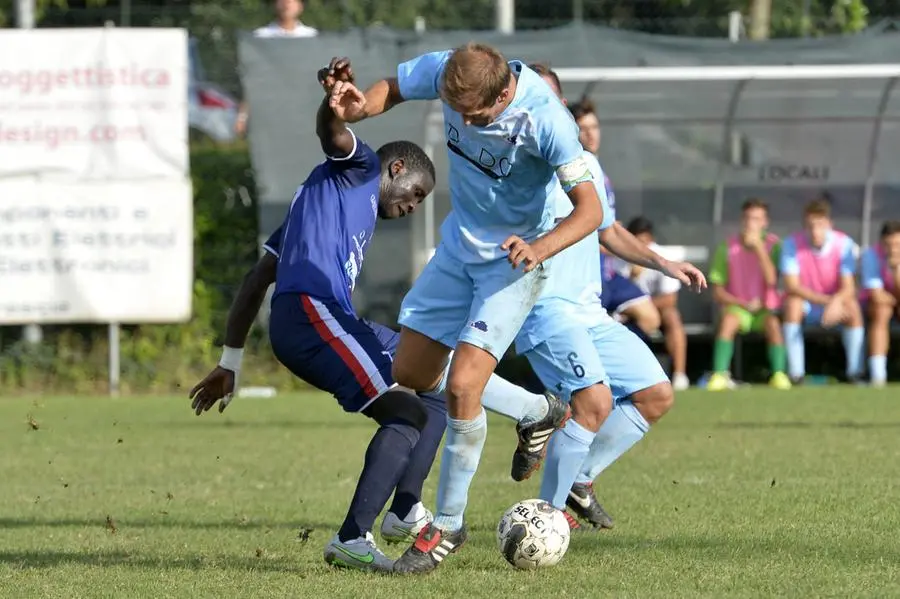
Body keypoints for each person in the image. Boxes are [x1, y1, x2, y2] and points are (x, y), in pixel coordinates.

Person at [190, 63, 565, 573]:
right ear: (396, 169)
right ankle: (351, 538)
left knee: (430, 385)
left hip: (319, 317)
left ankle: (407, 508)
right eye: (415, 194)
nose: (413, 207)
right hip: (313, 315)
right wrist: (334, 104)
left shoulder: (315, 206)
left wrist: (231, 361)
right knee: (405, 414)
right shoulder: (360, 169)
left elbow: (258, 279)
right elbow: (334, 133)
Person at [325, 45, 605, 574]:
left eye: (475, 114)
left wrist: (539, 248)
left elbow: (588, 210)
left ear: (503, 93)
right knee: (411, 373)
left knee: (462, 388)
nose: (466, 122)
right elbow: (393, 87)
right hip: (458, 250)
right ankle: (535, 410)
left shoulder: (548, 120)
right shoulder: (452, 69)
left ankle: (447, 524)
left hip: (513, 260)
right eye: (458, 112)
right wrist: (358, 108)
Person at [517, 64, 706, 532]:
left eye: (547, 98)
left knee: (656, 395)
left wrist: (663, 264)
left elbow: (610, 230)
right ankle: (547, 516)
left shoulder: (587, 166)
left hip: (590, 313)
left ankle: (578, 480)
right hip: (544, 311)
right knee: (594, 403)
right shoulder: (514, 167)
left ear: (561, 107)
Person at [569, 99, 661, 343]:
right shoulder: (572, 172)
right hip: (586, 274)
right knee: (582, 333)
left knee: (651, 317)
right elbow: (577, 228)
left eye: (594, 127)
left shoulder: (597, 169)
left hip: (607, 270)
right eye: (583, 128)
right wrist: (606, 236)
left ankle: (609, 347)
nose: (590, 134)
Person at [706, 199, 790, 391]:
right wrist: (742, 303)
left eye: (756, 219)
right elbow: (718, 291)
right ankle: (719, 374)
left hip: (765, 308)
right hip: (739, 308)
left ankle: (779, 374)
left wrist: (759, 248)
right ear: (742, 220)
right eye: (748, 218)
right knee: (728, 322)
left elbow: (772, 280)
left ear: (764, 223)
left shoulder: (774, 246)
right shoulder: (726, 247)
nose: (751, 224)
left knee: (773, 325)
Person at [780, 199, 864, 384]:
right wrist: (827, 302)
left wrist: (835, 303)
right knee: (792, 304)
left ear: (829, 224)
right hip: (809, 304)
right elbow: (792, 286)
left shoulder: (844, 243)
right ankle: (796, 374)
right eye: (810, 225)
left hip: (836, 303)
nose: (815, 230)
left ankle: (856, 373)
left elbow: (848, 286)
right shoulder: (791, 244)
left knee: (853, 308)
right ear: (804, 226)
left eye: (820, 225)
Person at [614, 216, 689, 390]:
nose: (642, 246)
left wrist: (644, 307)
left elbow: (670, 298)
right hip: (627, 312)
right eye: (637, 241)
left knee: (672, 317)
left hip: (654, 309)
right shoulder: (619, 257)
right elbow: (617, 296)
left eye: (645, 241)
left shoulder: (662, 257)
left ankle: (679, 375)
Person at [235, 0, 318, 136]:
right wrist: (242, 116)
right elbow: (252, 80)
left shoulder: (312, 36)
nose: (287, 3)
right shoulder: (260, 37)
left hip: (304, 111)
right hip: (270, 112)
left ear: (300, 5)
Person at [860, 220, 900, 386]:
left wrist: (896, 269)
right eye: (888, 245)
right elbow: (876, 294)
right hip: (879, 305)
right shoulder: (871, 255)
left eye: (897, 244)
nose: (893, 249)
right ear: (881, 243)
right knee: (881, 311)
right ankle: (878, 375)